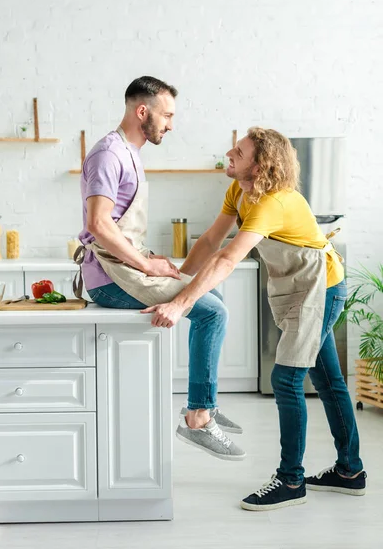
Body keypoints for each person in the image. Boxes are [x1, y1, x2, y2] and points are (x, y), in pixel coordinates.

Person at [142, 127, 366, 510]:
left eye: (240, 151)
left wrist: (181, 305)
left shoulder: (273, 202)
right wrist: (176, 281)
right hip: (301, 289)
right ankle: (350, 471)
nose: (230, 152)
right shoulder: (240, 191)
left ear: (260, 165)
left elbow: (229, 259)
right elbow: (212, 241)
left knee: (286, 378)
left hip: (321, 290)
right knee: (327, 380)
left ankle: (291, 480)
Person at [74, 75, 246, 462]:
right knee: (213, 313)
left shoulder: (129, 152)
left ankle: (206, 404)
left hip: (125, 269)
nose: (171, 124)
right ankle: (198, 418)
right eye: (166, 115)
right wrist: (146, 267)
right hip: (110, 279)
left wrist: (151, 264)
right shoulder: (109, 154)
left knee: (209, 294)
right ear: (142, 111)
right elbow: (99, 224)